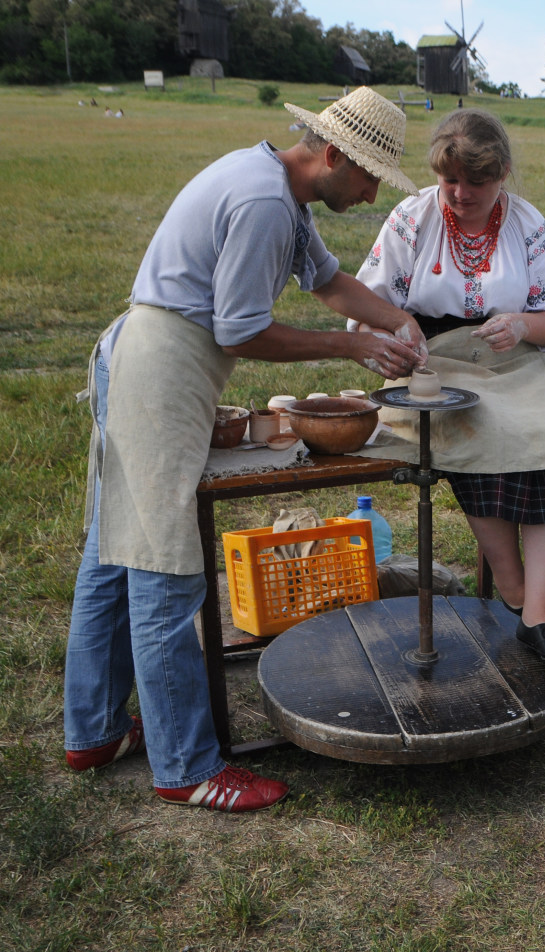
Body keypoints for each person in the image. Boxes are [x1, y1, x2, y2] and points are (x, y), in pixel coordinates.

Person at [63, 87, 427, 813]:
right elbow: (238, 331)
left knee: (112, 554)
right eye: (370, 176)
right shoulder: (265, 203)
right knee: (165, 566)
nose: (372, 192)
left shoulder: (276, 189)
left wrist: (397, 319)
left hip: (142, 358)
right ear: (332, 156)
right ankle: (186, 765)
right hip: (163, 370)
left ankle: (95, 731)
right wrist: (353, 346)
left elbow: (326, 282)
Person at [354, 108, 545, 663]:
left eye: (476, 182)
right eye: (450, 180)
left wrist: (522, 324)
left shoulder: (527, 224)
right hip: (434, 363)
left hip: (517, 362)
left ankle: (535, 612)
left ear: (503, 174)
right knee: (482, 427)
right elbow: (366, 303)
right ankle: (517, 591)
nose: (460, 193)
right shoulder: (412, 218)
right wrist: (396, 337)